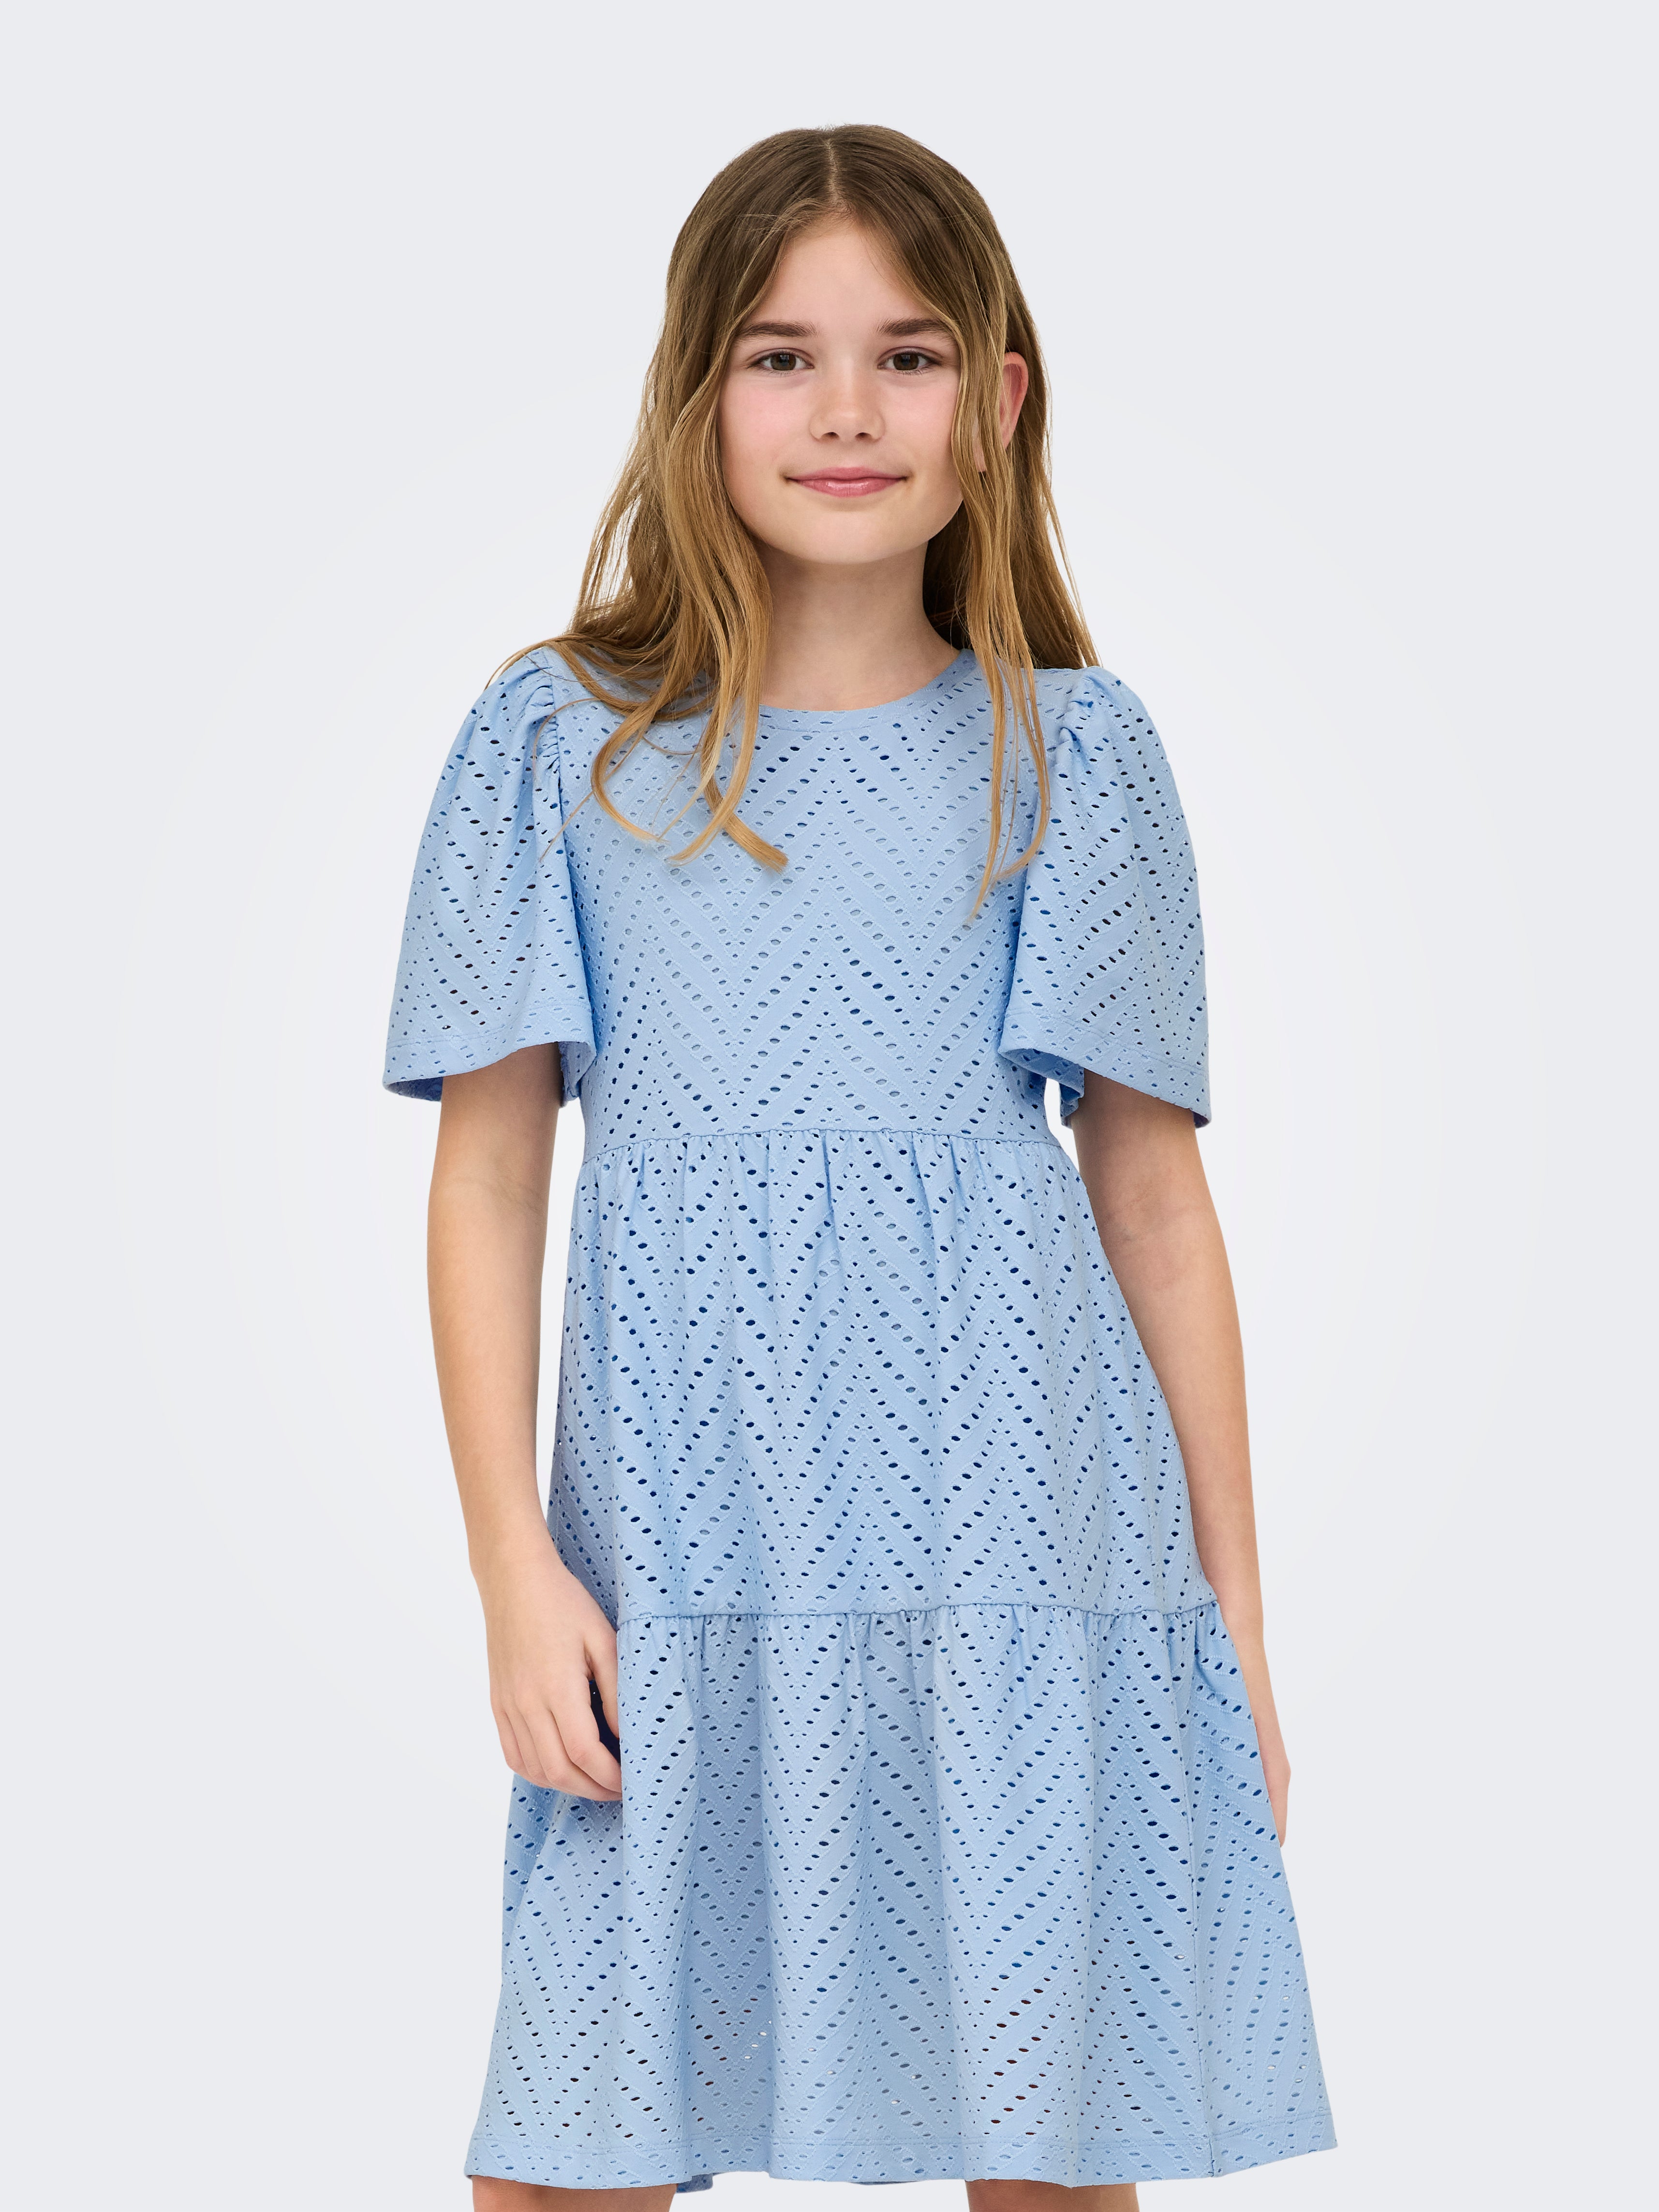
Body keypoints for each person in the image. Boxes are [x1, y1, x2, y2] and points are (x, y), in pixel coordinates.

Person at [385, 124, 1333, 2212]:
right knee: (566, 2156)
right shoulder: (558, 741)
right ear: (695, 392)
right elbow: (489, 1175)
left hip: (1028, 1546)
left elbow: (1152, 1199)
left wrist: (1237, 1612)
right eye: (779, 355)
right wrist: (509, 1567)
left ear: (994, 401)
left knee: (1052, 2144)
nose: (844, 410)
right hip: (677, 1542)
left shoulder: (1074, 750)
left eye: (907, 356)